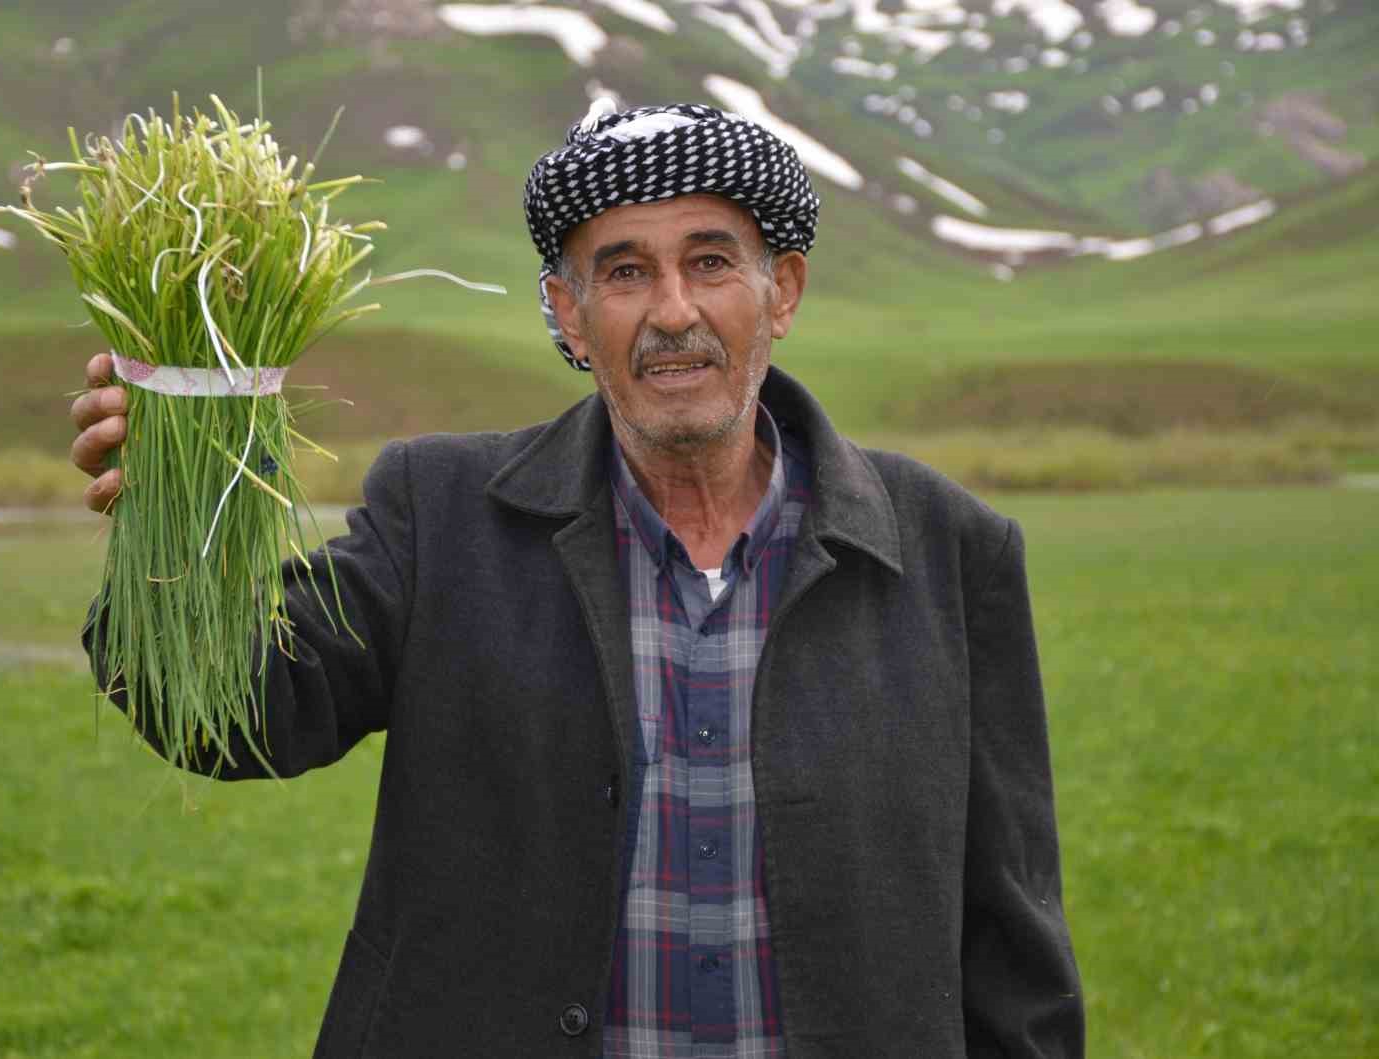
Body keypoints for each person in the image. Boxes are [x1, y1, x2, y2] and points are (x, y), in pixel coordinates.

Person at [71, 101, 1083, 1058]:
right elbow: (236, 712)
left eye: (711, 262)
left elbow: (1013, 931)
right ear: (568, 311)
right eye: (626, 272)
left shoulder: (950, 550)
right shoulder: (446, 513)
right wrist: (168, 511)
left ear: (782, 292)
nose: (673, 311)